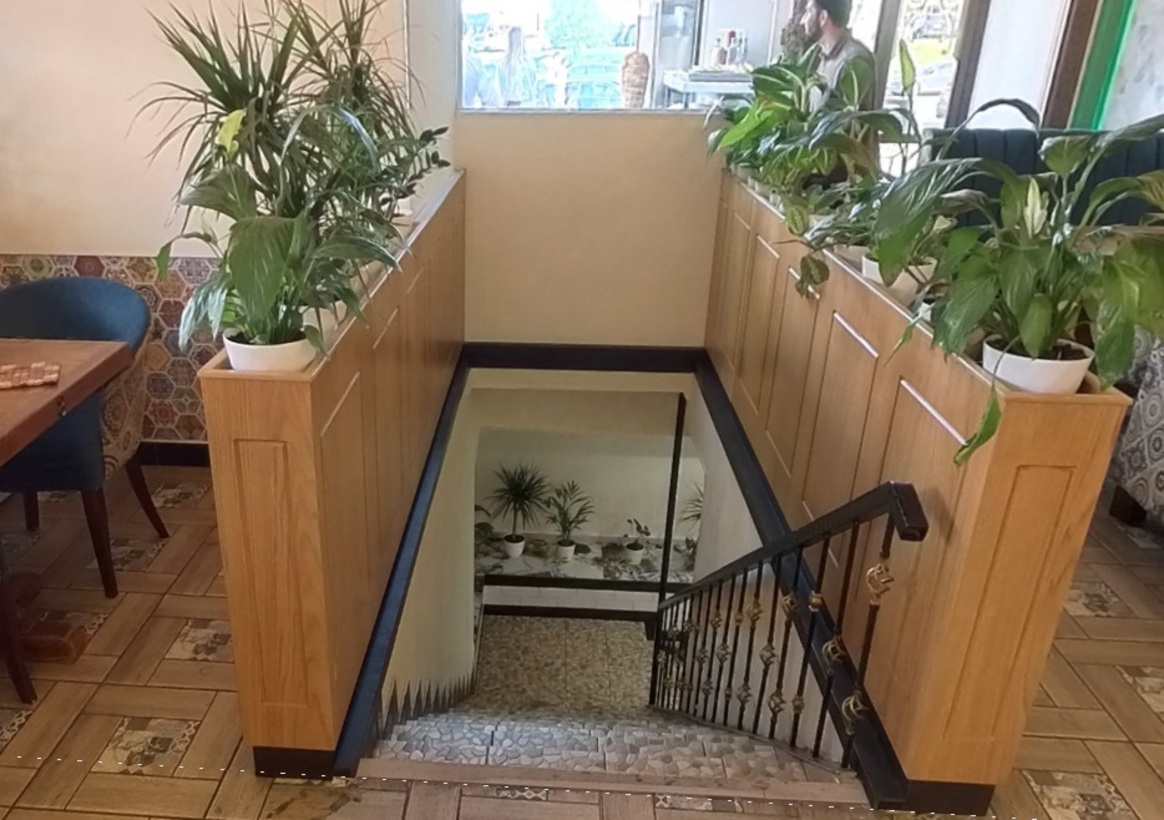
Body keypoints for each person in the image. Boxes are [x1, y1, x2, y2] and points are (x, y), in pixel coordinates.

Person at [801, 0, 875, 106]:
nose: (802, 21)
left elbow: (852, 114)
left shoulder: (855, 60)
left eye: (808, 12)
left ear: (823, 17)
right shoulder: (821, 54)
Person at [499, 26, 538, 108]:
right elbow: (533, 88)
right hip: (525, 105)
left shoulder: (503, 64)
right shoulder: (528, 63)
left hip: (510, 106)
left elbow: (501, 90)